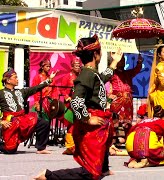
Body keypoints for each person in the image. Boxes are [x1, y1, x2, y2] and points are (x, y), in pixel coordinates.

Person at [34, 34, 123, 180]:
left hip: (99, 121)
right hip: (91, 125)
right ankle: (49, 176)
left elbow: (103, 78)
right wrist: (88, 119)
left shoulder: (92, 74)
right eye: (99, 51)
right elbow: (76, 101)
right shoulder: (86, 75)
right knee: (90, 173)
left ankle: (104, 168)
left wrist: (114, 63)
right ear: (95, 54)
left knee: (104, 143)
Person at [0, 68, 56, 154]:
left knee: (43, 123)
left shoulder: (21, 92)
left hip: (23, 119)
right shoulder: (1, 93)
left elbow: (36, 88)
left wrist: (49, 80)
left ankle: (41, 148)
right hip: (11, 122)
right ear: (8, 80)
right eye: (15, 77)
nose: (17, 79)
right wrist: (1, 121)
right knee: (10, 150)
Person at [109, 54, 143, 136]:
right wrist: (109, 94)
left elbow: (137, 70)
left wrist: (139, 62)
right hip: (117, 100)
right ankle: (113, 140)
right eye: (121, 60)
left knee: (127, 121)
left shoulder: (128, 73)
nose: (122, 62)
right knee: (115, 120)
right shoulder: (112, 73)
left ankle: (128, 139)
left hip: (128, 101)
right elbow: (105, 84)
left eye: (124, 60)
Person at [60, 58, 82, 155]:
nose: (78, 67)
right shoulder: (67, 77)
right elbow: (62, 90)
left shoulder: (81, 77)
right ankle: (70, 146)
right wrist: (67, 97)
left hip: (79, 103)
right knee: (71, 124)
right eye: (76, 66)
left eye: (79, 66)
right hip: (70, 104)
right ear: (72, 66)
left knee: (79, 124)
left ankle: (78, 145)